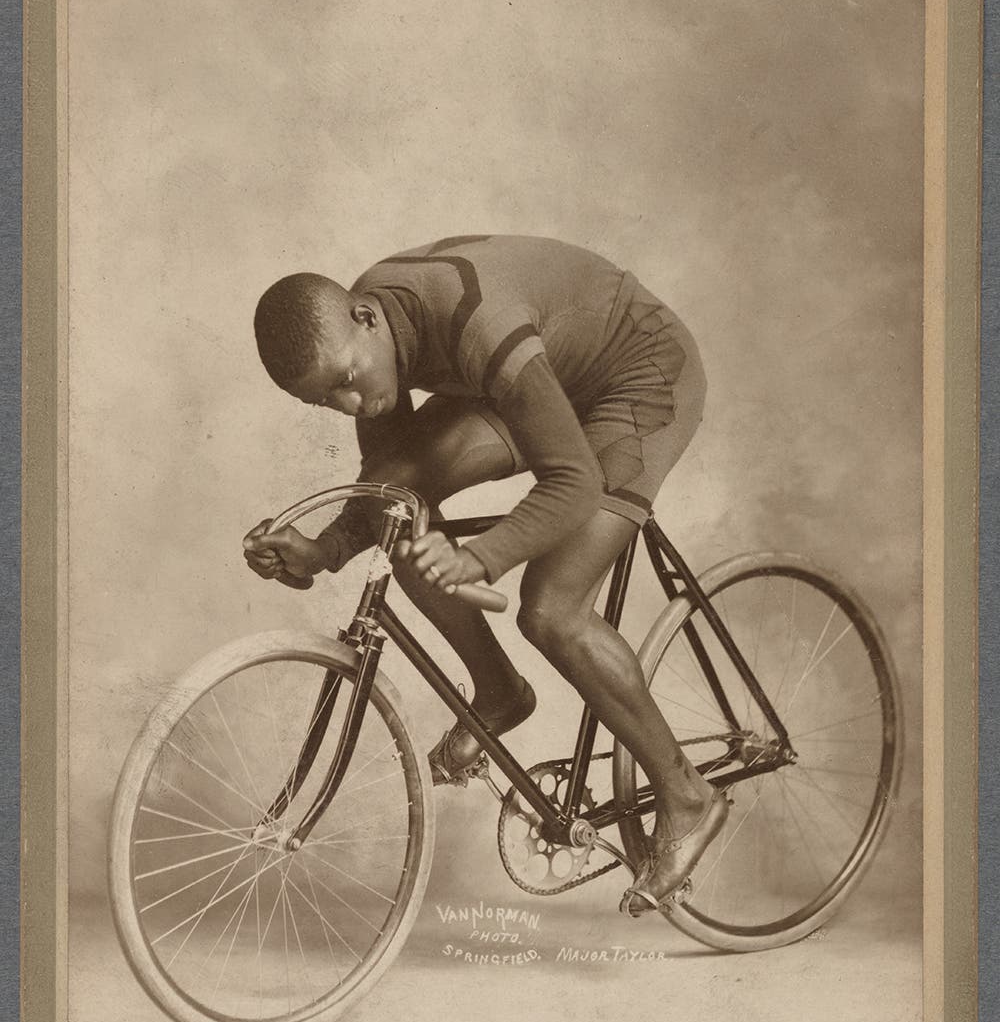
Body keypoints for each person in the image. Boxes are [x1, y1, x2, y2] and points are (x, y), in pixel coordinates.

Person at [242, 234, 728, 915]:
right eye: (327, 401)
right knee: (399, 509)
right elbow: (386, 484)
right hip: (545, 375)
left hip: (638, 375)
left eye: (347, 379)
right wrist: (322, 552)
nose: (352, 406)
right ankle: (499, 693)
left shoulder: (477, 322)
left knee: (551, 611)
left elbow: (574, 483)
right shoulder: (375, 325)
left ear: (365, 318)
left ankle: (688, 795)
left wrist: (480, 557)